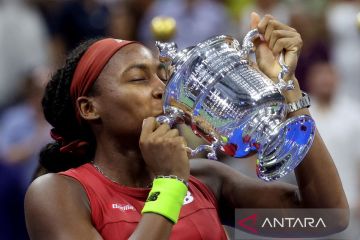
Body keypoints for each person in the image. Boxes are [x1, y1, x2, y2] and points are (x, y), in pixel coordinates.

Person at [25, 13, 349, 239]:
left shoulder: (207, 181)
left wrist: (286, 85)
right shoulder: (59, 193)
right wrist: (168, 184)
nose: (160, 89)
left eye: (162, 76)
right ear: (89, 107)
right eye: (138, 78)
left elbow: (324, 219)